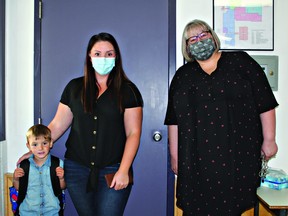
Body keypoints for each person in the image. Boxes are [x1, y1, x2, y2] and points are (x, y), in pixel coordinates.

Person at [19, 32, 143, 216]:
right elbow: (58, 124)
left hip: (113, 169)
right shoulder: (74, 88)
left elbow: (133, 133)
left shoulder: (128, 91)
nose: (103, 58)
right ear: (89, 56)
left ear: (116, 56)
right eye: (98, 53)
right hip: (76, 169)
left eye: (109, 54)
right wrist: (34, 149)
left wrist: (124, 170)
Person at [164, 19, 278, 215]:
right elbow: (173, 120)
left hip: (237, 156)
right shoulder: (182, 76)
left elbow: (265, 103)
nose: (199, 41)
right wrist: (174, 156)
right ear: (187, 47)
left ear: (213, 36)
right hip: (194, 160)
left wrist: (269, 140)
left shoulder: (241, 62)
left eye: (203, 35)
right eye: (193, 39)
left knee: (231, 208)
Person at [13, 124, 66, 215]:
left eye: (44, 143)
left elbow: (63, 187)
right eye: (35, 144)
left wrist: (61, 178)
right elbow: (18, 188)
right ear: (28, 146)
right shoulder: (24, 165)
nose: (40, 148)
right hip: (28, 212)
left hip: (52, 212)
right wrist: (15, 179)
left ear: (51, 143)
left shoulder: (58, 164)